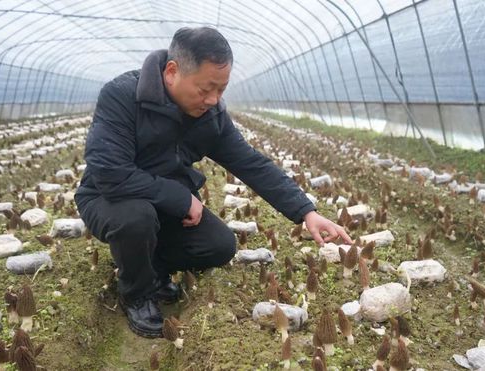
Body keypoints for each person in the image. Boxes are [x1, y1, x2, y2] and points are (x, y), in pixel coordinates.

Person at [74, 27, 352, 338]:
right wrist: (181, 198)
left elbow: (250, 162)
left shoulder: (211, 115)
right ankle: (137, 293)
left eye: (221, 90)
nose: (213, 99)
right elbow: (111, 172)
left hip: (163, 202)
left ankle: (150, 269)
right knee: (136, 218)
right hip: (108, 198)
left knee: (219, 245)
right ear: (172, 72)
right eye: (206, 89)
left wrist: (306, 212)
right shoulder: (123, 95)